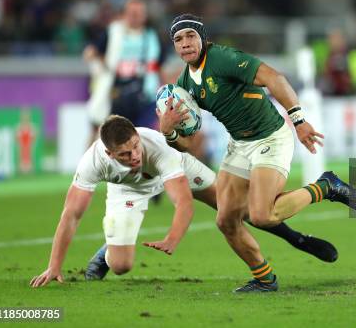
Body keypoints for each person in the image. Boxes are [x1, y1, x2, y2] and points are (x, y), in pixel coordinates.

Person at [160, 14, 356, 292]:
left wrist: (299, 121)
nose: (185, 43)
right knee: (226, 220)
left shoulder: (221, 58)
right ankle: (265, 279)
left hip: (270, 137)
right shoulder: (185, 82)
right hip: (240, 145)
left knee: (262, 215)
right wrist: (169, 132)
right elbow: (188, 143)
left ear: (203, 38)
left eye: (190, 36)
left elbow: (273, 77)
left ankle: (326, 186)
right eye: (178, 39)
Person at [29, 115, 338, 288]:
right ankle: (107, 252)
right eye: (125, 154)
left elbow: (183, 203)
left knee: (234, 209)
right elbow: (71, 215)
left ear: (138, 137)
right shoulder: (91, 163)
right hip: (127, 191)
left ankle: (295, 238)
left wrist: (173, 238)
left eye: (135, 147)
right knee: (121, 266)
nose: (135, 156)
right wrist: (54, 265)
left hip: (180, 169)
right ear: (109, 154)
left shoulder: (156, 148)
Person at [84, 0, 162, 138]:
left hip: (144, 97)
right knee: (104, 138)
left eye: (139, 13)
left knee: (143, 139)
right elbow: (90, 53)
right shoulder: (114, 33)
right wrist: (104, 67)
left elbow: (157, 66)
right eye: (132, 13)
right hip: (114, 96)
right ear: (123, 14)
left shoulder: (151, 37)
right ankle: (89, 160)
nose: (136, 17)